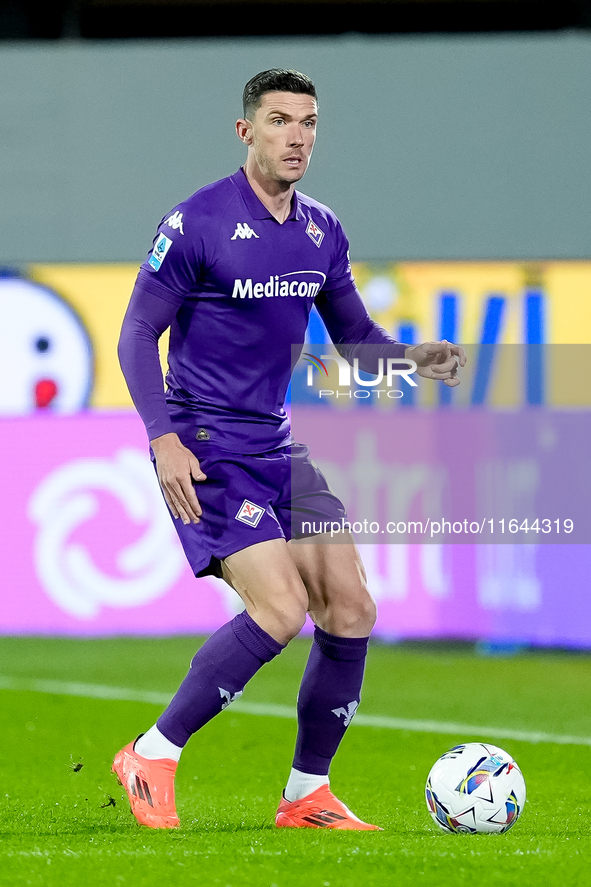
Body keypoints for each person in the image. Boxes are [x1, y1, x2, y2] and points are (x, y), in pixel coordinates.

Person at [114, 68, 466, 831]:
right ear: (247, 132)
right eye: (279, 120)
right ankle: (152, 751)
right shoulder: (196, 223)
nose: (297, 136)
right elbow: (138, 332)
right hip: (205, 445)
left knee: (350, 605)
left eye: (308, 122)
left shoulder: (321, 229)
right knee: (278, 609)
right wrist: (162, 438)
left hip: (276, 446)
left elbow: (355, 342)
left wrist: (416, 359)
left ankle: (306, 792)